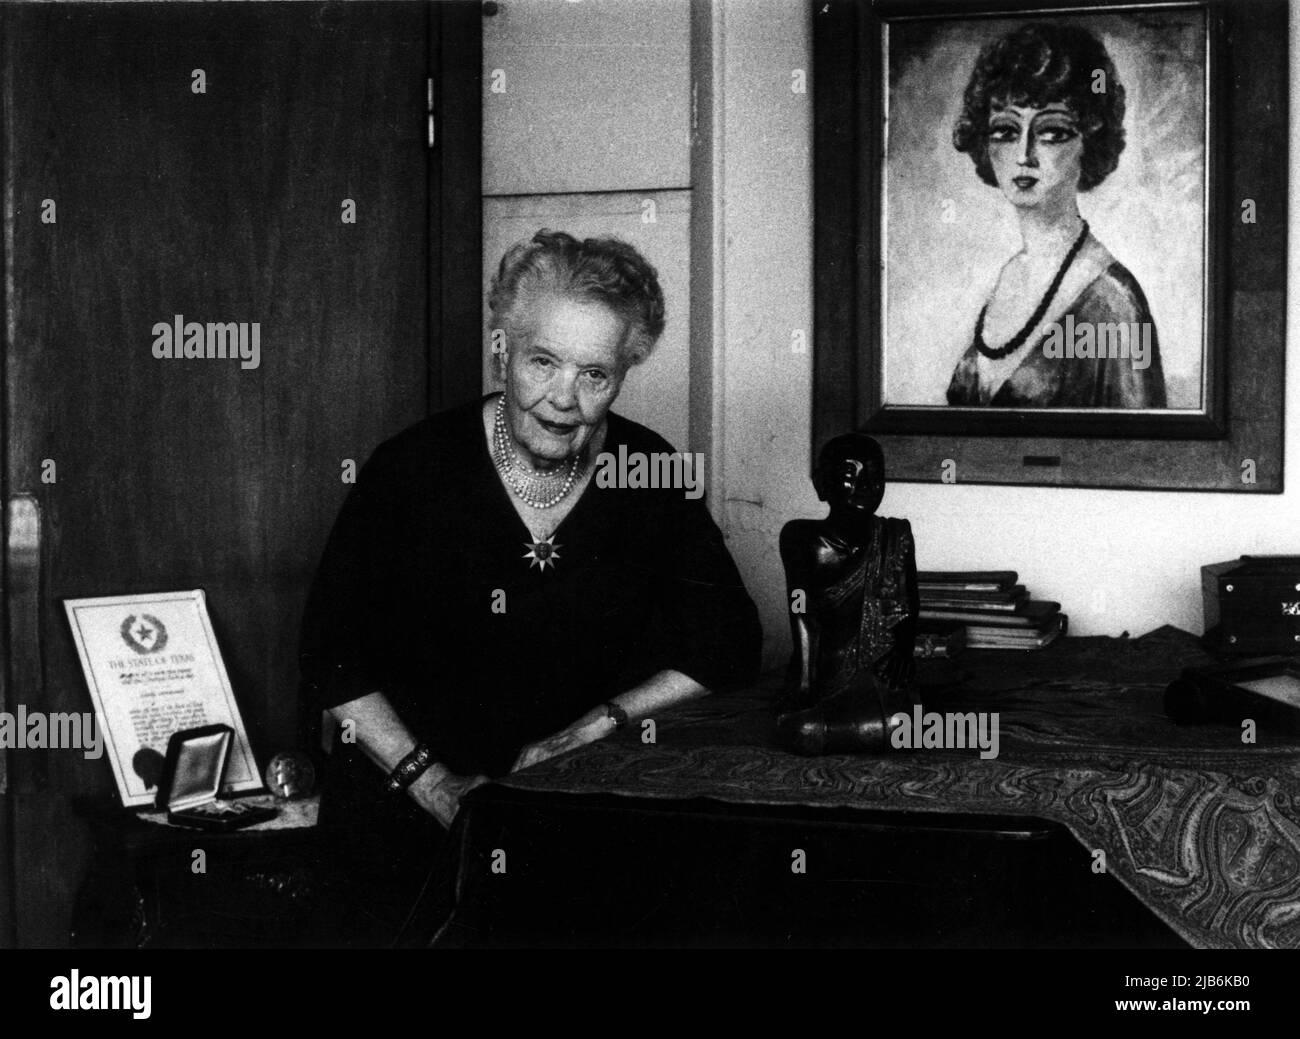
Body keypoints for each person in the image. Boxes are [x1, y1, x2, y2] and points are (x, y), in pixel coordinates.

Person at [298, 229, 762, 945]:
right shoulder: (413, 471)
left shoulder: (648, 470)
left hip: (573, 822)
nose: (563, 398)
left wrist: (588, 730)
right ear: (502, 349)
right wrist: (434, 784)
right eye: (542, 361)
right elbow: (330, 653)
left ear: (624, 373)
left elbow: (728, 639)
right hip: (403, 819)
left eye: (594, 374)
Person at [946, 22, 1166, 408]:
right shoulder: (1009, 276)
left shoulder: (1115, 301)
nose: (1024, 155)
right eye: (1005, 131)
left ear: (1090, 141)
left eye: (1052, 133)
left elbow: (1141, 455)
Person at [775, 434, 919, 755]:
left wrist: (904, 654)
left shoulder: (896, 535)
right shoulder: (801, 538)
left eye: (874, 476)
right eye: (849, 477)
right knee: (800, 729)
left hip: (878, 668)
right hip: (824, 668)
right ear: (822, 485)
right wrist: (805, 682)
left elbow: (907, 605)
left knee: (904, 722)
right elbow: (802, 612)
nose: (865, 486)